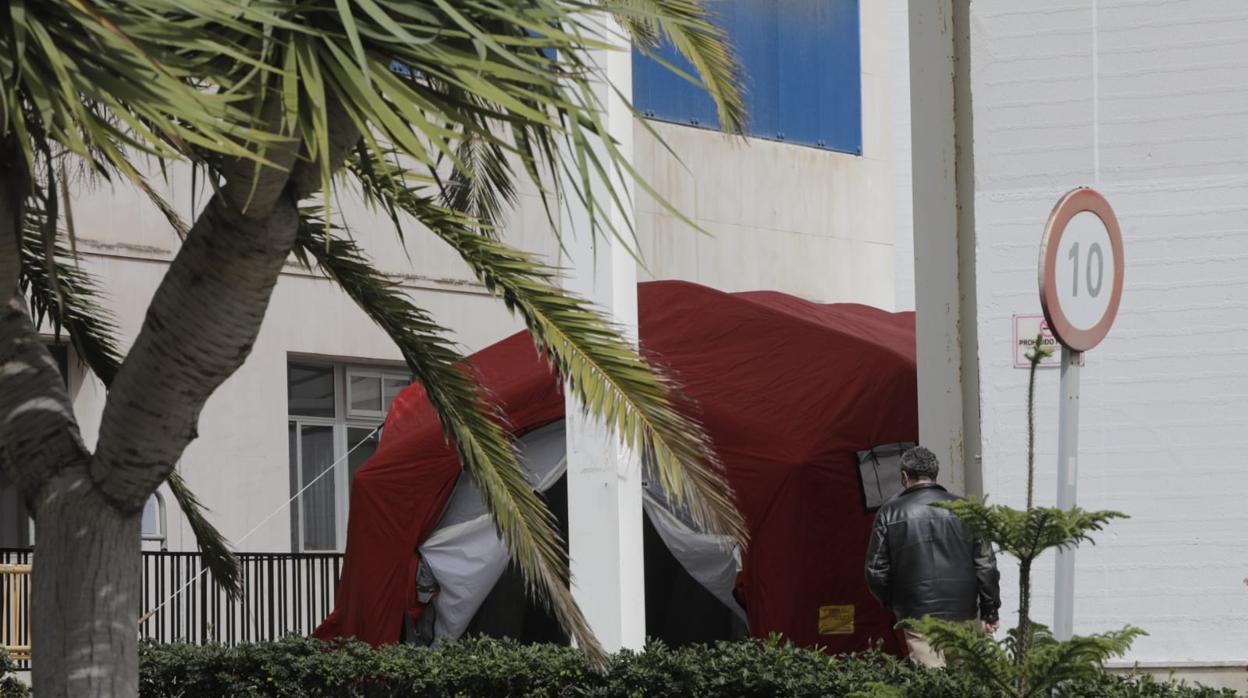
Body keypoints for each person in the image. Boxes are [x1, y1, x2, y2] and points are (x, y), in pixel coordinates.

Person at [864, 446, 1001, 667]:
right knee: (964, 682)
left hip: (916, 614)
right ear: (935, 475)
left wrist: (895, 601)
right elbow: (986, 565)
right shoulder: (965, 509)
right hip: (962, 611)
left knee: (931, 684)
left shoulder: (889, 512)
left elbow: (875, 572)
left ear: (904, 476)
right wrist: (990, 610)